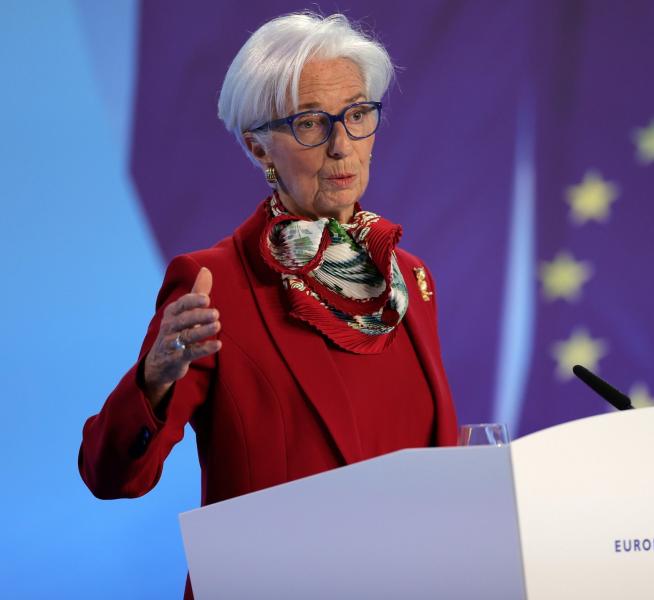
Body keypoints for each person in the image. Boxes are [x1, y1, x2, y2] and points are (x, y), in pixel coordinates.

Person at [78, 12, 458, 597]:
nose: (341, 146)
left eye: (357, 115)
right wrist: (152, 380)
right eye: (311, 123)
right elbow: (112, 477)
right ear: (259, 148)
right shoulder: (214, 283)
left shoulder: (410, 278)